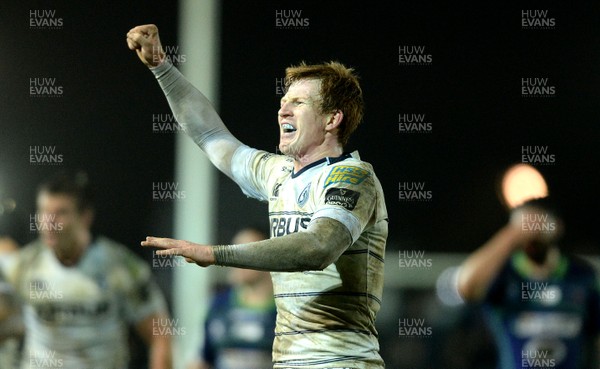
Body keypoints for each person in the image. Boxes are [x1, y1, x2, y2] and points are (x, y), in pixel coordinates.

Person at [127, 24, 388, 368]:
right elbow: (209, 133)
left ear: (331, 119)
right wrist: (161, 66)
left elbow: (318, 247)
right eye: (283, 102)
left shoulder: (352, 176)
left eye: (298, 103)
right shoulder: (278, 173)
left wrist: (214, 254)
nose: (283, 111)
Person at [0, 171, 173, 369]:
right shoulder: (23, 265)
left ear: (85, 217)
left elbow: (160, 336)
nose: (48, 223)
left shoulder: (121, 267)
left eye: (60, 213)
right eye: (43, 212)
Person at [457, 197, 600, 369]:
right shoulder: (505, 276)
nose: (532, 230)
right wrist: (511, 235)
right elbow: (466, 287)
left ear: (557, 227)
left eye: (538, 222)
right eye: (524, 225)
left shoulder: (582, 276)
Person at [188, 227, 276, 369]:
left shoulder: (285, 310)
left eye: (247, 252)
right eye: (233, 252)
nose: (237, 259)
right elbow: (200, 360)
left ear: (270, 257)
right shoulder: (216, 305)